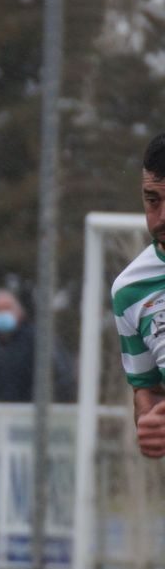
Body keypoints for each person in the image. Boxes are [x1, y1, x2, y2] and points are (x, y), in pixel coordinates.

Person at [115, 133, 165, 459]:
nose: (162, 218)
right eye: (152, 201)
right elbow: (146, 389)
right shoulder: (130, 290)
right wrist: (149, 421)